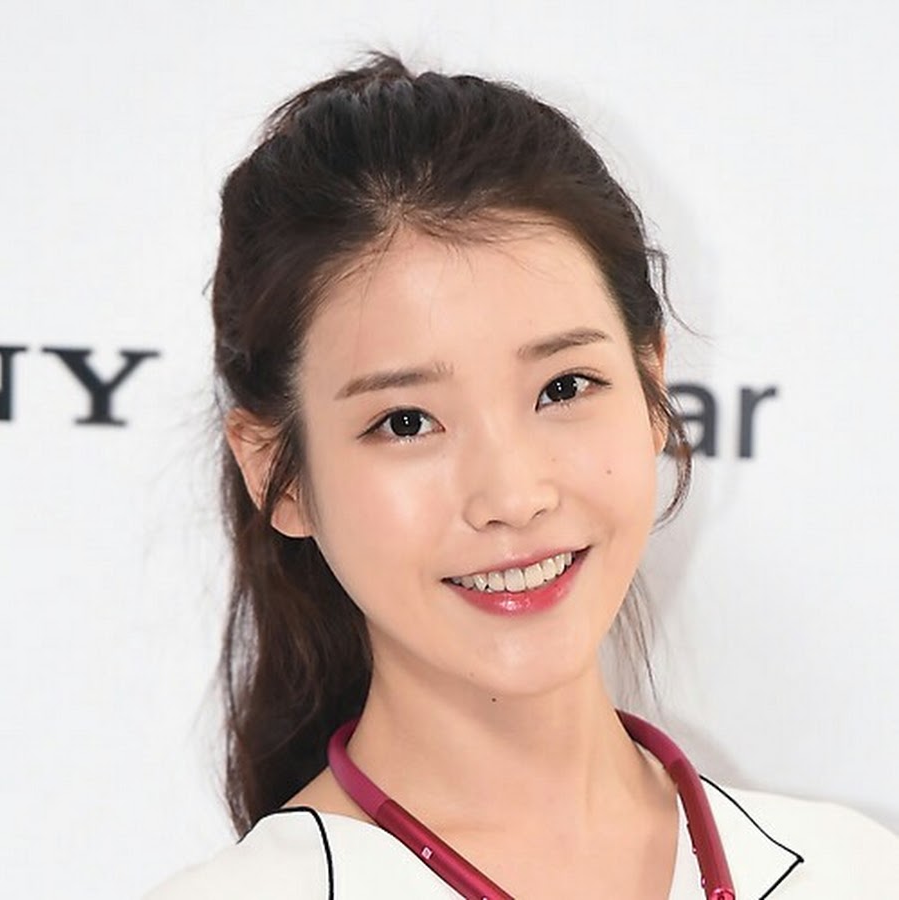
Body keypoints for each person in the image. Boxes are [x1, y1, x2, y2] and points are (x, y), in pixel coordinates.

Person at [146, 54, 897, 899]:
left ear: (652, 383)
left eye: (564, 388)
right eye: (406, 422)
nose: (512, 497)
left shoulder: (859, 872)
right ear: (277, 475)